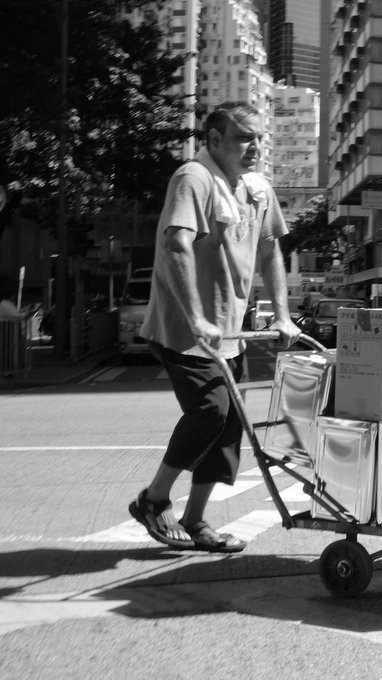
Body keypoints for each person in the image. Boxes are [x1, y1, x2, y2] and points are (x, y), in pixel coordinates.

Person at [129, 101, 300, 553]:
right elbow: (178, 244)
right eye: (245, 138)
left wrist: (281, 314)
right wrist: (197, 317)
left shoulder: (258, 190)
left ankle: (195, 520)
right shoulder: (194, 178)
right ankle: (154, 498)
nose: (256, 147)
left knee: (228, 427)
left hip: (229, 332)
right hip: (183, 329)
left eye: (259, 138)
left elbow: (270, 252)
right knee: (210, 411)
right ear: (215, 140)